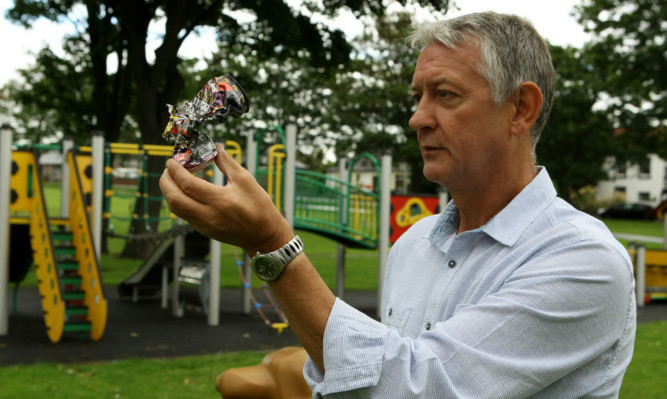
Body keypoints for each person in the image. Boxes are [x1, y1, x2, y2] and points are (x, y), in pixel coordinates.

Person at [160, 11, 636, 398]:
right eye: (417, 96)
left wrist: (271, 243)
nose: (417, 118)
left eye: (444, 95)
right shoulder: (412, 244)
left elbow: (417, 387)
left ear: (520, 109)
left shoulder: (583, 260)